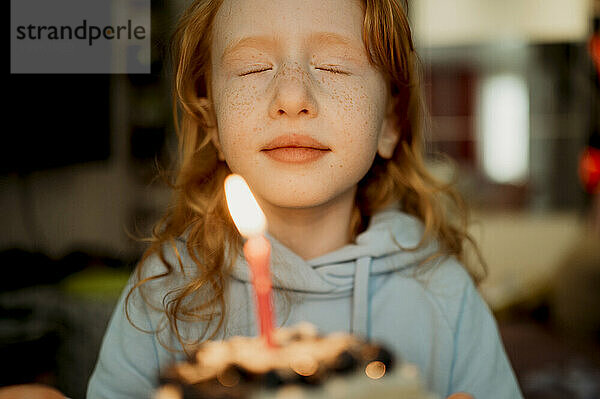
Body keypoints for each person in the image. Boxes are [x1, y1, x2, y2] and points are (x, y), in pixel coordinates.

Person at [87, 0, 523, 398]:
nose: (292, 98)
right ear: (212, 121)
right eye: (252, 67)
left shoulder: (443, 292)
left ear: (390, 120)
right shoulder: (165, 287)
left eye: (334, 66)